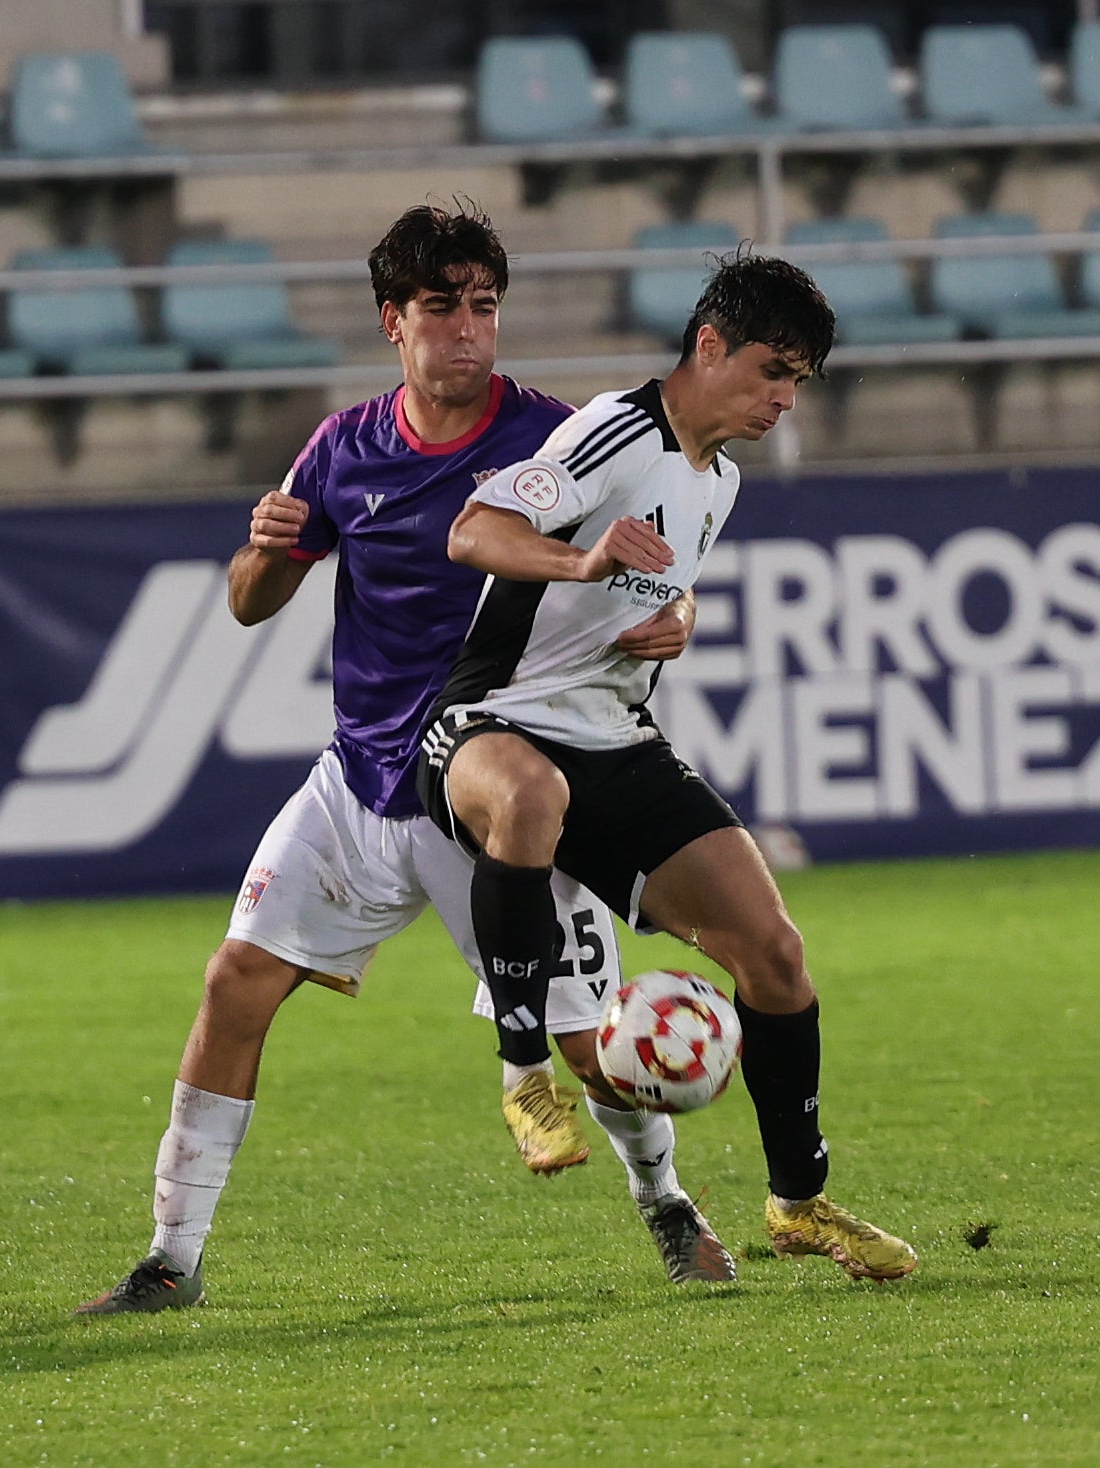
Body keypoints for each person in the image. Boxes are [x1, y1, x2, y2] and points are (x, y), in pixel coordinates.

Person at [75, 201, 721, 1315]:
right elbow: (247, 602)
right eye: (441, 308)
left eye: (484, 306)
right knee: (235, 982)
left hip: (494, 779)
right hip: (366, 778)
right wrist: (268, 551)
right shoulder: (345, 446)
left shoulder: (558, 437)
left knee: (587, 1043)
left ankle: (665, 1199)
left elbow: (654, 566)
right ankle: (169, 1261)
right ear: (394, 323)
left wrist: (680, 618)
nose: (468, 330)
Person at [417, 249, 918, 1283]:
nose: (785, 398)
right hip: (489, 721)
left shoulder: (718, 477)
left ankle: (798, 1203)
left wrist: (677, 615)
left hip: (615, 736)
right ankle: (523, 1077)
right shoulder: (616, 429)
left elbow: (668, 584)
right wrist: (581, 559)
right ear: (708, 343)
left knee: (774, 953)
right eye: (773, 370)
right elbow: (476, 530)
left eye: (799, 381)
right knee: (532, 795)